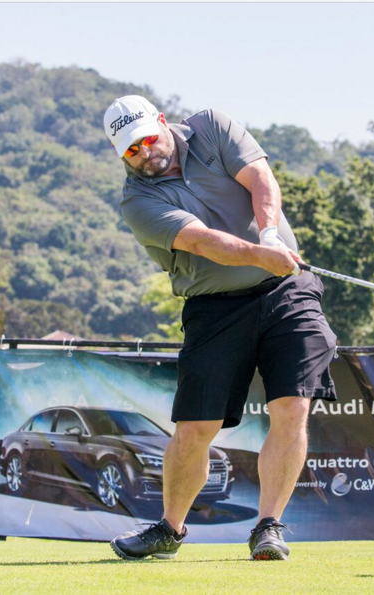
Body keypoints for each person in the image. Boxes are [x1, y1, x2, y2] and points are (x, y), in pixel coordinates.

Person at [103, 95, 337, 561]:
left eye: (149, 139)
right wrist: (256, 253)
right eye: (132, 150)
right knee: (196, 426)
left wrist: (269, 237)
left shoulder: (212, 126)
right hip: (214, 308)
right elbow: (201, 241)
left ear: (163, 122)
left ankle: (268, 526)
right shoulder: (137, 200)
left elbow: (261, 179)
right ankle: (170, 530)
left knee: (292, 406)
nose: (146, 153)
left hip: (287, 290)